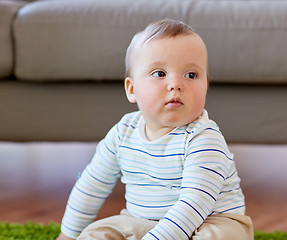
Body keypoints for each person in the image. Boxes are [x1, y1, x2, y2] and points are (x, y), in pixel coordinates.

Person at [56, 18, 253, 240]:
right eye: (160, 73)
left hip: (208, 220)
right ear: (132, 90)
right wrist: (69, 234)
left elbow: (193, 204)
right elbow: (91, 184)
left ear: (206, 85)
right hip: (142, 221)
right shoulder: (123, 133)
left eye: (191, 75)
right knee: (96, 234)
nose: (176, 84)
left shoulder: (204, 139)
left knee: (222, 236)